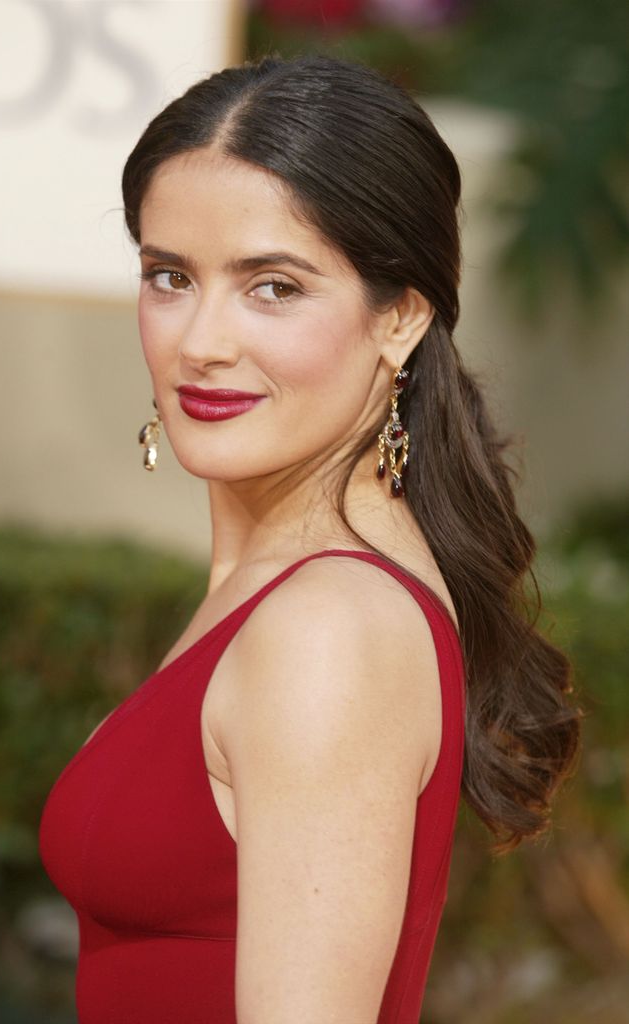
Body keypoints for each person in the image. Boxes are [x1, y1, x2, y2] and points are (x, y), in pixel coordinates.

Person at [38, 54, 580, 1023]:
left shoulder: (330, 627)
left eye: (273, 287)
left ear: (401, 317)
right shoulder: (275, 588)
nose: (199, 341)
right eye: (169, 276)